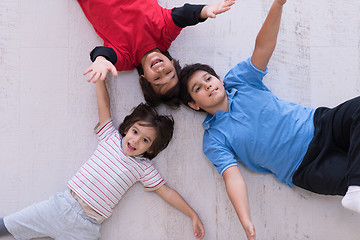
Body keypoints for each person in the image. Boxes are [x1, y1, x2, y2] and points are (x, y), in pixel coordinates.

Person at [178, 0, 360, 239]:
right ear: (194, 104)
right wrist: (245, 220)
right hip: (305, 167)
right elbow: (232, 178)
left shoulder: (240, 81)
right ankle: (355, 184)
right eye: (198, 88)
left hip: (322, 124)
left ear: (219, 80)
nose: (208, 86)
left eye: (208, 78)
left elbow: (263, 47)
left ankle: (356, 186)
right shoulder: (214, 138)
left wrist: (277, 4)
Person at [0, 80, 205, 239]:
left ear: (151, 150)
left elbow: (166, 192)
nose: (135, 140)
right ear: (126, 128)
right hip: (61, 206)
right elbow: (104, 106)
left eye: (145, 140)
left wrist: (192, 213)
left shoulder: (143, 168)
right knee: (9, 224)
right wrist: (100, 78)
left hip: (87, 226)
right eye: (135, 132)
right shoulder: (110, 136)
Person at [78, 0, 236, 107]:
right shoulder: (164, 35)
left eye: (157, 79)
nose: (161, 70)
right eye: (169, 72)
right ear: (172, 62)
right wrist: (205, 10)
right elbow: (183, 15)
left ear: (144, 77)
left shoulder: (127, 59)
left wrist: (100, 59)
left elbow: (105, 54)